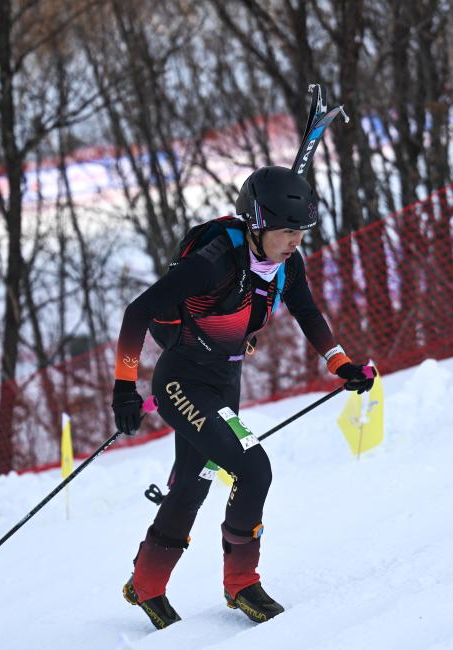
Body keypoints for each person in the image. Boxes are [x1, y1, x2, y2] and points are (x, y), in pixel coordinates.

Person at [111, 165, 376, 630]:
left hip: (224, 381)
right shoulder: (213, 262)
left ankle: (146, 583)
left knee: (194, 483)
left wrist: (340, 363)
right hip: (182, 383)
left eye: (302, 231)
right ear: (257, 225)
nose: (296, 241)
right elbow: (138, 312)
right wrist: (124, 387)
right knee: (254, 467)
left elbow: (308, 314)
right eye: (287, 231)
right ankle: (242, 583)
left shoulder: (287, 265)